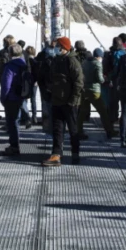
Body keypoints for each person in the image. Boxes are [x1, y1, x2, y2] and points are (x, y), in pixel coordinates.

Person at [43, 38, 84, 167]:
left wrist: (73, 100)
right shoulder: (56, 60)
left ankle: (75, 153)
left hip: (70, 102)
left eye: (58, 46)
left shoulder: (72, 61)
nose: (56, 48)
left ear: (64, 47)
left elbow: (79, 83)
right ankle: (56, 154)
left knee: (73, 129)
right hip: (57, 100)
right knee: (57, 129)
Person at [79, 47, 115, 139]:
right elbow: (100, 79)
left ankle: (79, 132)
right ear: (99, 57)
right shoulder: (97, 64)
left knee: (82, 113)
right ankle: (109, 131)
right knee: (103, 112)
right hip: (95, 91)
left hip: (84, 90)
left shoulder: (85, 63)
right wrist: (105, 79)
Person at [0, 44, 28, 155]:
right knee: (16, 120)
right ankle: (15, 144)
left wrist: (3, 98)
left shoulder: (10, 66)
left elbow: (6, 84)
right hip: (21, 96)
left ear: (10, 53)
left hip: (11, 97)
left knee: (12, 122)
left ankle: (14, 146)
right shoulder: (24, 65)